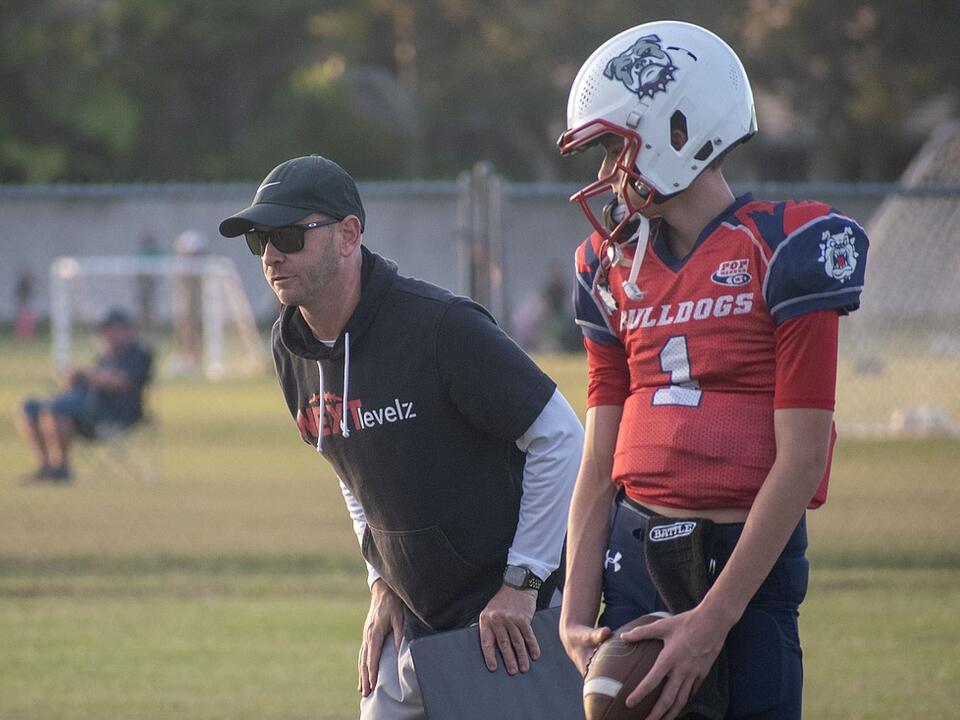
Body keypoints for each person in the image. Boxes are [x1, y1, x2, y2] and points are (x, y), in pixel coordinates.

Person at [556, 21, 869, 720]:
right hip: (635, 557)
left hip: (744, 562)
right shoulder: (609, 266)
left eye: (614, 147)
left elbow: (803, 457)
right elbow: (600, 456)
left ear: (676, 129)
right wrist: (575, 612)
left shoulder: (786, 245)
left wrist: (714, 618)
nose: (608, 172)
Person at [218, 154, 583, 719]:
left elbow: (560, 436)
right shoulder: (290, 349)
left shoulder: (441, 326)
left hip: (507, 616)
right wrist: (381, 582)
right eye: (260, 239)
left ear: (348, 236)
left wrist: (522, 583)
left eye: (288, 235)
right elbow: (349, 469)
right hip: (412, 615)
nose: (271, 254)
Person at [17, 308, 153, 483]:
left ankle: (61, 467)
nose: (105, 336)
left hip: (114, 415)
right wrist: (72, 377)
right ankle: (46, 466)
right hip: (86, 407)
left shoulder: (139, 354)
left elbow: (121, 382)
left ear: (123, 329)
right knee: (29, 408)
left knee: (56, 409)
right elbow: (88, 381)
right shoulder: (106, 356)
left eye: (109, 330)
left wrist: (88, 375)